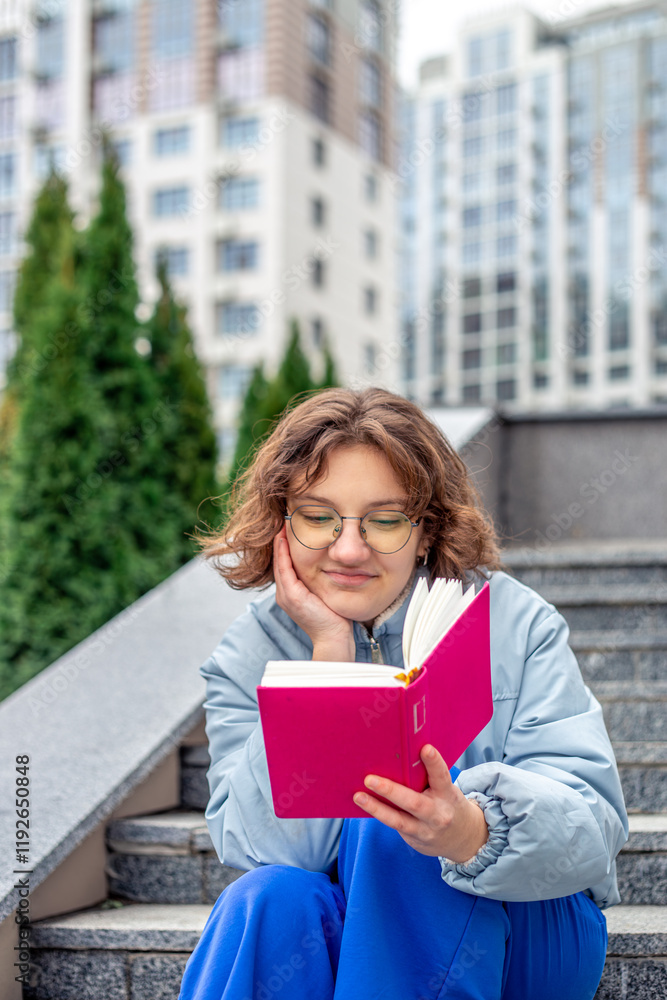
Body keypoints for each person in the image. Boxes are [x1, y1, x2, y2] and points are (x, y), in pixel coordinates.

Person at [178, 387, 628, 1000]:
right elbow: (266, 851)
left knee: (394, 821)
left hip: (526, 930)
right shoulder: (245, 655)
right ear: (283, 524)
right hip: (352, 942)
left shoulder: (513, 623)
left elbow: (595, 827)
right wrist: (327, 662)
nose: (349, 548)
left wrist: (469, 830)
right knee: (267, 898)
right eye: (318, 517)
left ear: (425, 532)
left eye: (385, 520)